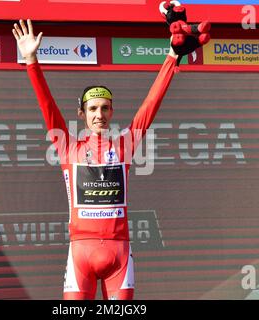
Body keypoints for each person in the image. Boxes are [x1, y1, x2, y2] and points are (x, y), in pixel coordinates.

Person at [12, 19, 179, 300]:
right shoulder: (67, 146)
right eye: (92, 108)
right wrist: (31, 61)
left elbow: (151, 103)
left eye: (104, 108)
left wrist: (173, 56)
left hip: (119, 255)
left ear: (112, 112)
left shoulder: (125, 144)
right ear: (82, 113)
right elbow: (47, 106)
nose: (99, 114)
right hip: (81, 255)